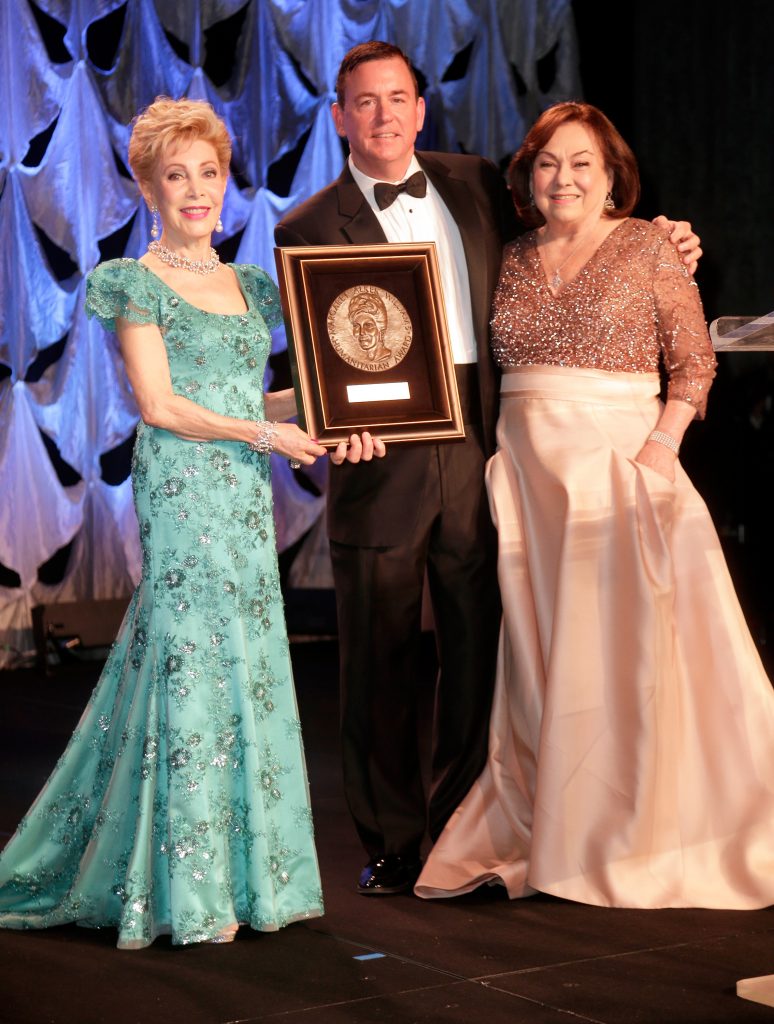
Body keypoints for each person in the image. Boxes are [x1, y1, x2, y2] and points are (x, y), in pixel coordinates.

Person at [275, 42, 704, 896]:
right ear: (338, 117)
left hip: (483, 451)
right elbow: (311, 362)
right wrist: (328, 428)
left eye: (398, 98)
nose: (384, 116)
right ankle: (392, 840)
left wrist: (663, 239)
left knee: (480, 657)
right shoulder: (306, 228)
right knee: (379, 666)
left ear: (421, 109)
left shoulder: (474, 183)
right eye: (365, 103)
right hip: (379, 462)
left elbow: (571, 232)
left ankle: (461, 830)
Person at [0, 97, 379, 949]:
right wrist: (266, 433)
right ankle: (187, 886)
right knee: (186, 658)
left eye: (208, 173)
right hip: (183, 490)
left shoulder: (249, 285)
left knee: (238, 657)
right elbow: (161, 404)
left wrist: (330, 411)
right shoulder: (132, 283)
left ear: (226, 181)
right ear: (147, 187)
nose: (196, 189)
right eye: (177, 175)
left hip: (242, 490)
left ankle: (248, 879)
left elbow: (259, 397)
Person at [415, 101, 774, 909]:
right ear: (526, 177)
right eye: (547, 163)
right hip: (531, 491)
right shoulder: (506, 257)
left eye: (582, 163)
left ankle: (631, 831)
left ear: (612, 175)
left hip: (622, 475)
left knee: (631, 665)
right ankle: (557, 824)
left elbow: (693, 366)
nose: (564, 177)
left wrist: (656, 454)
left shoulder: (650, 244)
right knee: (549, 670)